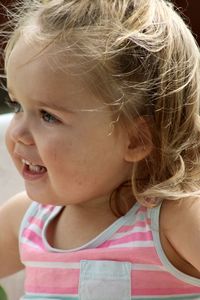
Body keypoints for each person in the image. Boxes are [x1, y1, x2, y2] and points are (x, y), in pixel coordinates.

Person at [0, 0, 200, 298]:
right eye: (18, 105)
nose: (18, 134)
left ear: (136, 140)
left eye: (48, 116)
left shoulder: (174, 218)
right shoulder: (24, 219)